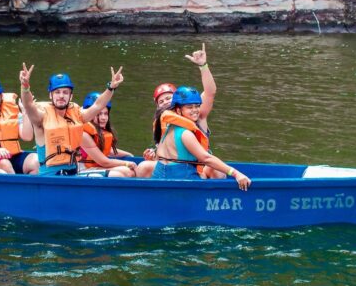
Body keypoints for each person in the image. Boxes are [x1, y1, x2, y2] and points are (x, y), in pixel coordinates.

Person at [19, 65, 124, 176]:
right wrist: (25, 86)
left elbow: (98, 105)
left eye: (65, 92)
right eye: (57, 92)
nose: (61, 96)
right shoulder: (40, 118)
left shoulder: (77, 116)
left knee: (117, 175)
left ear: (71, 96)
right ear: (50, 95)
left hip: (73, 175)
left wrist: (111, 87)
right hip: (50, 178)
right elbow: (28, 104)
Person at [138, 44, 217, 178]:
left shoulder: (196, 114)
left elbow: (210, 93)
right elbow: (167, 158)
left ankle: (211, 196)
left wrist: (203, 66)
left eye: (168, 98)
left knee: (217, 170)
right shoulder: (162, 124)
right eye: (161, 101)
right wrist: (153, 154)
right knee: (143, 167)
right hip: (174, 170)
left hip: (199, 169)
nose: (165, 103)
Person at [152, 86, 251, 188]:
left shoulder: (168, 128)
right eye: (189, 107)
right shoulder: (185, 133)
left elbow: (158, 157)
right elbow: (206, 158)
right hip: (182, 180)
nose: (195, 110)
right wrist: (236, 173)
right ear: (178, 110)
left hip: (159, 178)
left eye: (197, 106)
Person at [78, 92, 136, 177]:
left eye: (105, 114)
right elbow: (103, 161)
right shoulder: (83, 134)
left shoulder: (99, 132)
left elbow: (108, 150)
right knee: (123, 173)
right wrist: (126, 163)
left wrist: (128, 155)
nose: (103, 118)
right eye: (99, 114)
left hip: (95, 167)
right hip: (81, 171)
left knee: (129, 172)